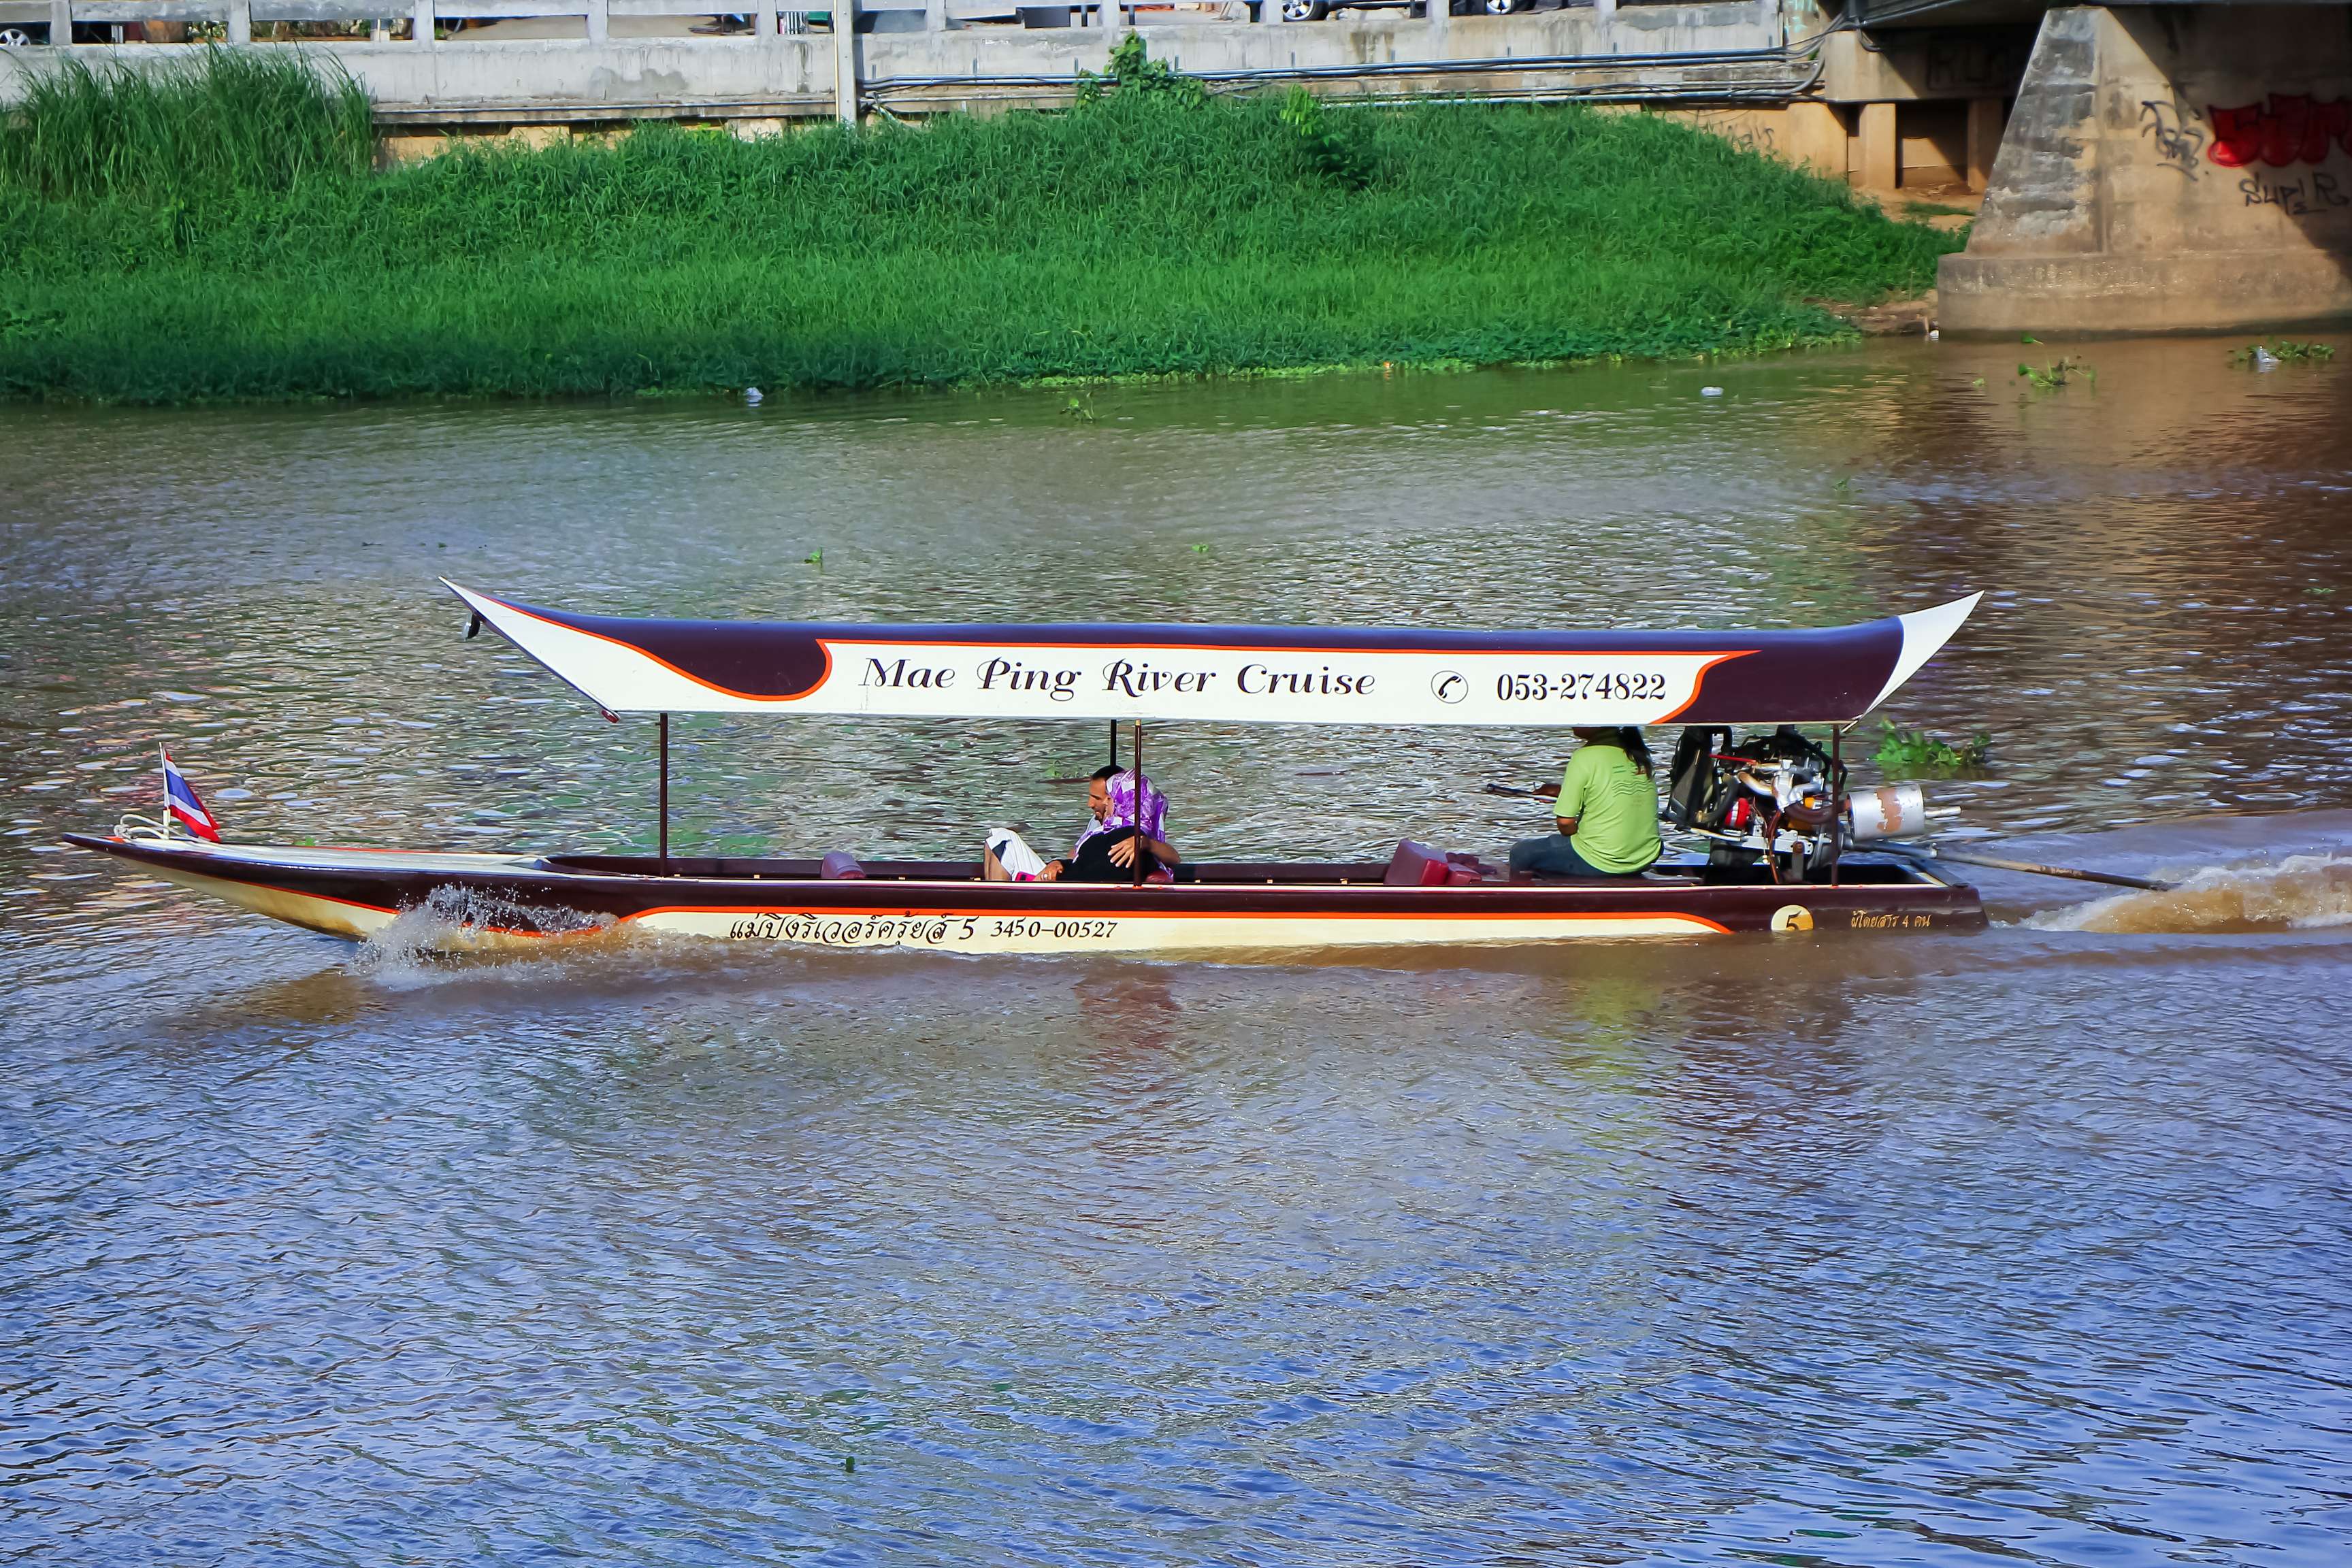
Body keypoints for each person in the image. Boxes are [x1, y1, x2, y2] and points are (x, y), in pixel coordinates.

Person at [1508, 726, 1663, 879]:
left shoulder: (1585, 756)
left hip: (1600, 860)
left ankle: (1519, 899)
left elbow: (1565, 823)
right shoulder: (1638, 752)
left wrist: (1576, 833)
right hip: (1647, 855)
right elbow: (1614, 791)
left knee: (1521, 852)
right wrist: (1564, 792)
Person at [985, 765, 1181, 883]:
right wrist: (1058, 864)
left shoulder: (1130, 837)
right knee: (996, 839)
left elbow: (1091, 873)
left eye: (1107, 798)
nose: (1092, 804)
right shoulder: (1106, 830)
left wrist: (1143, 843)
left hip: (1068, 888)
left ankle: (993, 909)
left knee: (1002, 838)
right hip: (1066, 878)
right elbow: (1079, 861)